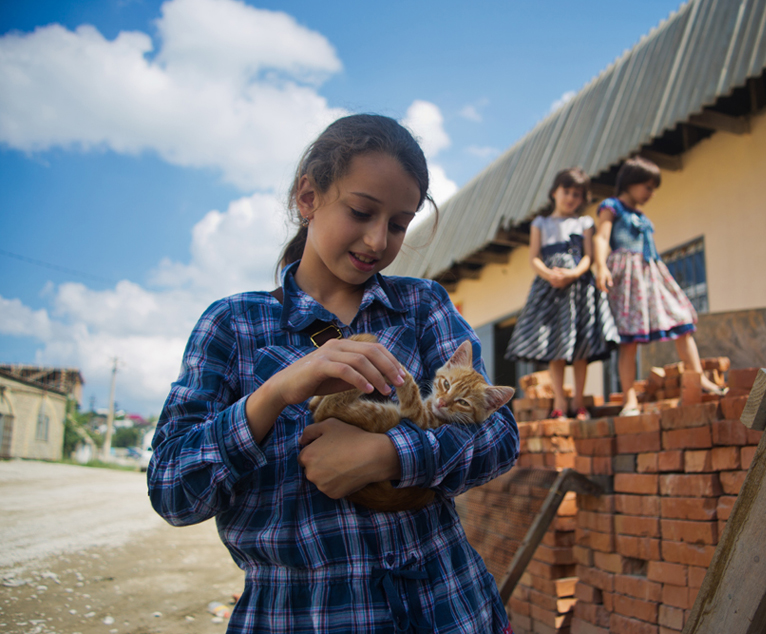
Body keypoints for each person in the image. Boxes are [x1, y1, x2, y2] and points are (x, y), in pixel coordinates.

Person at [148, 114, 520, 634]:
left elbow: (500, 436)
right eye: (362, 211)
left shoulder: (423, 307)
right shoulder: (233, 326)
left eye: (397, 224)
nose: (376, 240)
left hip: (452, 612)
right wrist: (275, 393)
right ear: (308, 197)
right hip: (301, 617)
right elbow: (172, 491)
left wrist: (388, 454)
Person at [593, 156, 725, 416]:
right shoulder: (612, 207)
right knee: (629, 339)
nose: (651, 193)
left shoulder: (640, 214)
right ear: (631, 182)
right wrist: (601, 266)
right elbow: (601, 237)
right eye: (648, 186)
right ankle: (630, 399)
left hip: (652, 273)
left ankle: (698, 378)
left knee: (682, 320)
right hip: (627, 275)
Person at [505, 167, 619, 421]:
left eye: (577, 194)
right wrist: (550, 275)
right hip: (550, 290)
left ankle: (578, 402)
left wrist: (572, 274)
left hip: (579, 289)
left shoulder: (585, 223)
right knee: (555, 345)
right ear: (554, 192)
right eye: (566, 191)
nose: (571, 198)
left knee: (581, 345)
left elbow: (589, 256)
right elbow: (534, 257)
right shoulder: (540, 223)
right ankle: (559, 402)